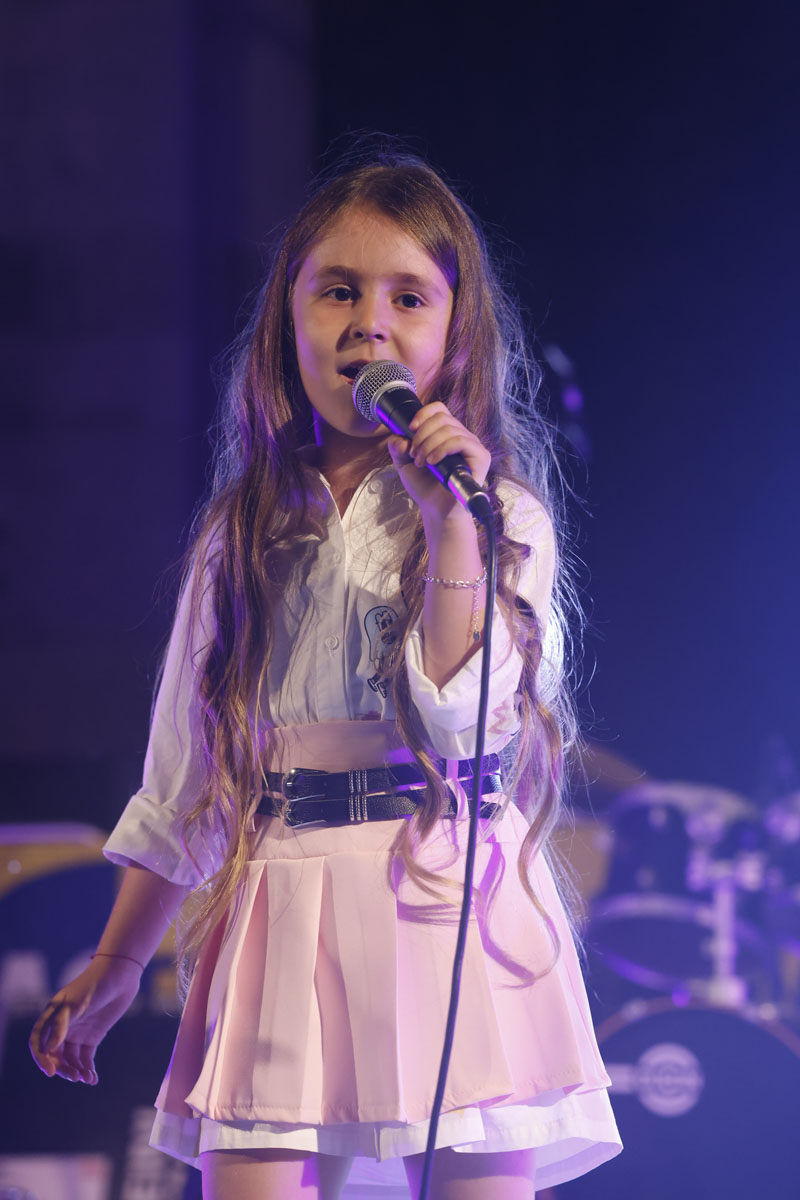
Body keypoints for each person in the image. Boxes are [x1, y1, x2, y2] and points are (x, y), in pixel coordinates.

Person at [29, 153, 621, 1199]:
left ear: (455, 333)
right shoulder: (243, 531)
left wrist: (453, 529)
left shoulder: (499, 517)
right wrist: (118, 961)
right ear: (288, 320)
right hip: (285, 898)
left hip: (447, 892)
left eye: (408, 298)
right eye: (337, 291)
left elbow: (459, 722)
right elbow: (184, 775)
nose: (368, 326)